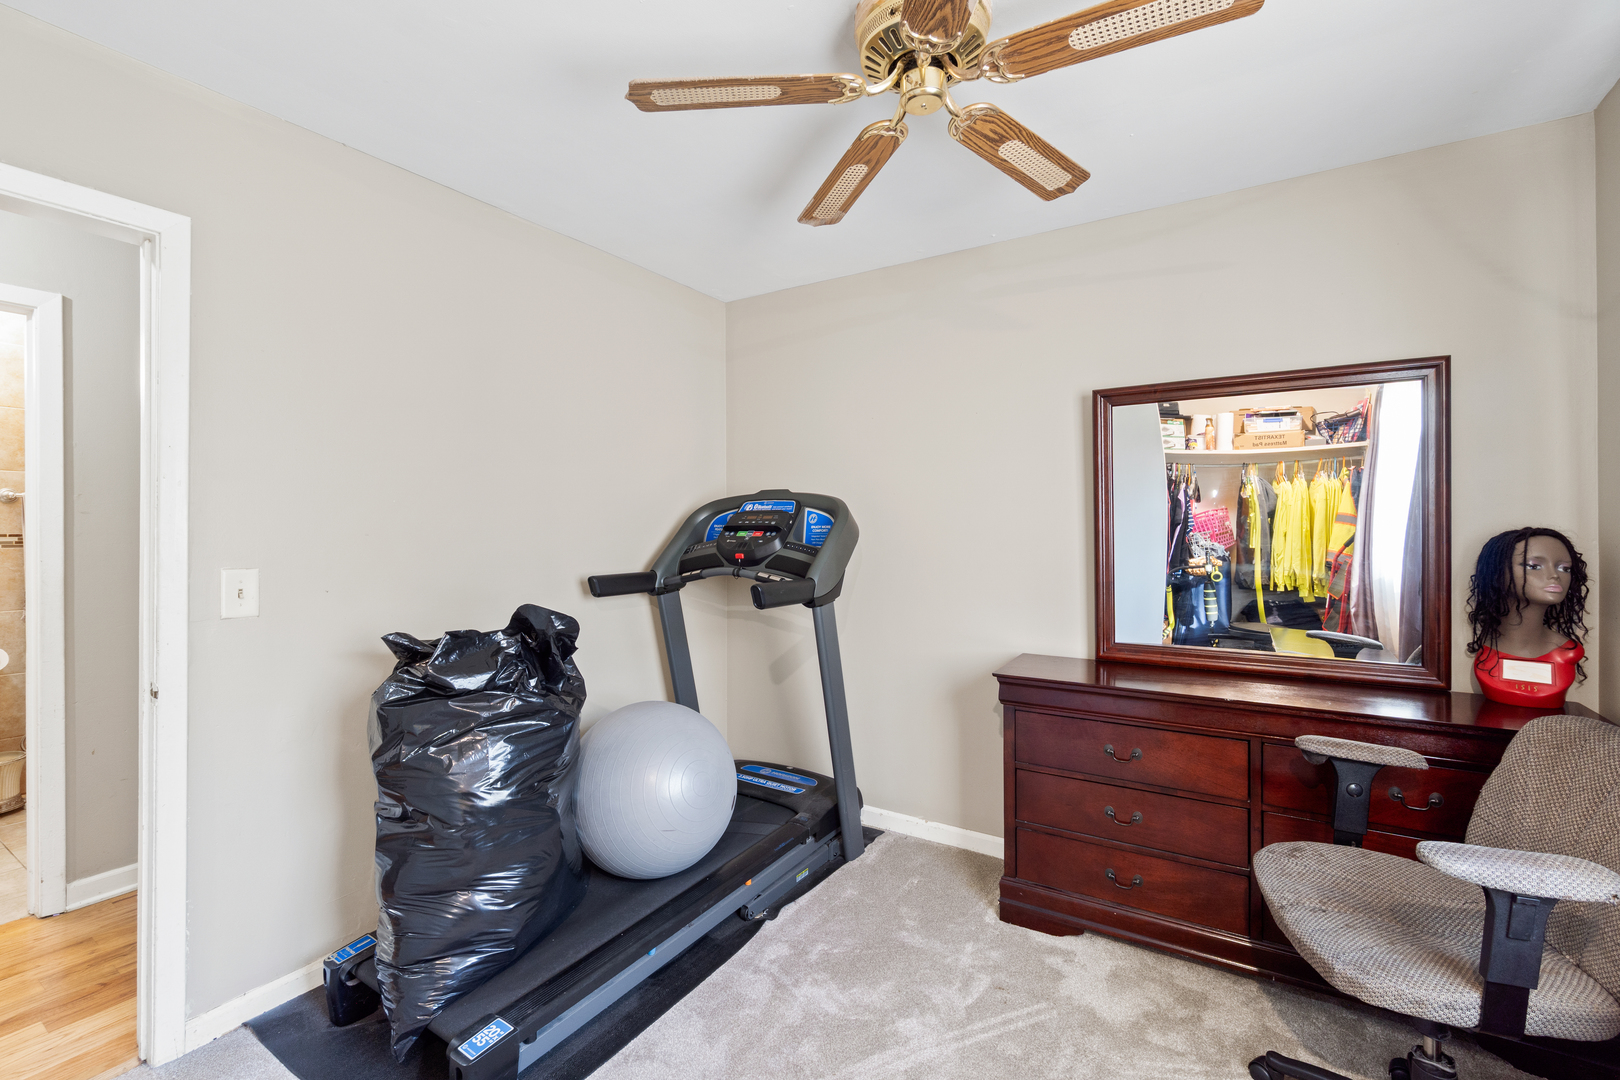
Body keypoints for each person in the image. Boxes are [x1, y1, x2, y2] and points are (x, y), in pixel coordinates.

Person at [1465, 527, 1588, 708]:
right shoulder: (1489, 652)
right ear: (1498, 573)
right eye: (1534, 566)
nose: (1555, 575)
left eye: (1564, 568)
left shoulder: (1568, 652)